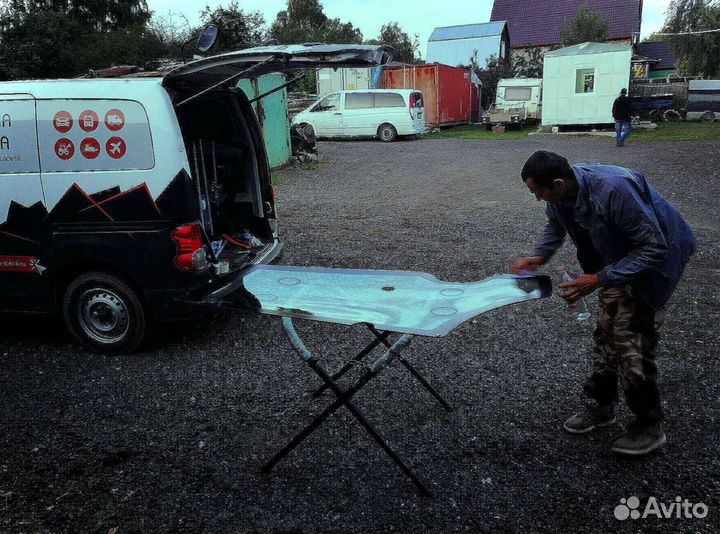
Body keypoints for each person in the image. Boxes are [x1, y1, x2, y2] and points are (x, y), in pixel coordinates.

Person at [511, 150, 695, 456]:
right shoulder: (562, 194)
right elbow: (555, 226)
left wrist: (598, 279)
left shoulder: (612, 190)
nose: (538, 199)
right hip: (616, 262)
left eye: (539, 192)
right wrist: (540, 255)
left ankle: (649, 427)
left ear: (558, 184)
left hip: (655, 263)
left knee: (631, 342)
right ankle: (602, 405)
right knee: (606, 335)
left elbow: (654, 247)